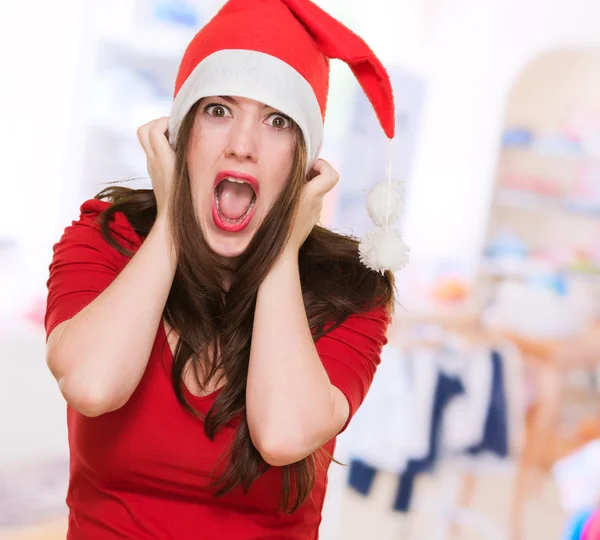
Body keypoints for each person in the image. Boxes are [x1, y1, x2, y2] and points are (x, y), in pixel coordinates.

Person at [44, 0, 405, 538]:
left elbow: (282, 432)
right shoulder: (106, 239)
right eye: (218, 110)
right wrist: (172, 225)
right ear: (179, 133)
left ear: (305, 161)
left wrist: (281, 249)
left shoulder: (354, 289)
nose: (242, 145)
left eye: (277, 121)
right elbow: (93, 385)